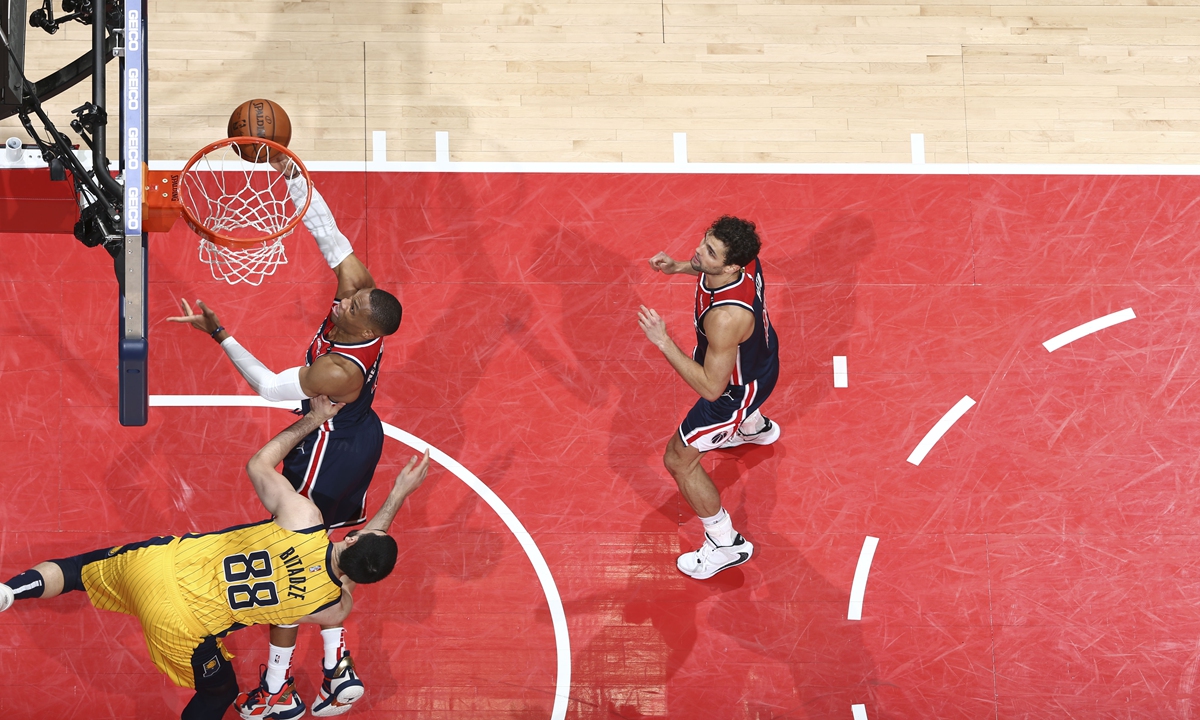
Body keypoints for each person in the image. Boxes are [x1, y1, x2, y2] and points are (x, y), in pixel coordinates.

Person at [0, 397, 432, 720]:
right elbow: (350, 577)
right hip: (181, 627)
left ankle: (9, 591)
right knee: (217, 695)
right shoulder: (332, 606)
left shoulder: (304, 518)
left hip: (158, 566)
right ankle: (299, 683)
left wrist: (315, 420)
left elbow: (260, 463)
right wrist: (395, 501)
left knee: (74, 571)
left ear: (352, 538)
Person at [167, 170, 401, 717]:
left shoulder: (340, 370)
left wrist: (219, 334)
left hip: (329, 443)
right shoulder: (357, 295)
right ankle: (336, 668)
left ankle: (278, 690)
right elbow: (327, 231)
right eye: (351, 296)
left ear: (364, 323)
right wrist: (288, 171)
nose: (342, 299)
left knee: (295, 562)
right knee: (324, 554)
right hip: (360, 435)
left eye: (350, 304)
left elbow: (271, 387)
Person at [638, 215, 781, 580]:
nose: (698, 250)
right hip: (762, 361)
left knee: (678, 460)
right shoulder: (744, 261)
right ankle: (754, 427)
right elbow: (705, 265)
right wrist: (679, 268)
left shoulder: (725, 318)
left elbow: (711, 388)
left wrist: (663, 342)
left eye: (709, 251)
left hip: (734, 391)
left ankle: (724, 543)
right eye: (704, 241)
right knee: (745, 391)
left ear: (732, 264)